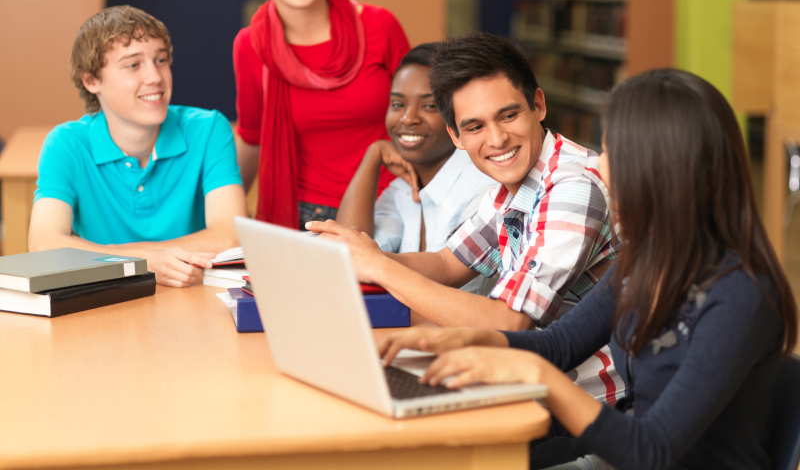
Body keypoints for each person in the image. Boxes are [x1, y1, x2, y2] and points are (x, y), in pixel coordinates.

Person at [377, 68, 798, 470]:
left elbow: (650, 451)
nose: (598, 164)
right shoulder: (647, 259)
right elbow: (560, 345)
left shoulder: (741, 296)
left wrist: (535, 373)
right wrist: (454, 341)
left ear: (661, 167)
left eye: (612, 150)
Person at [309, 32, 624, 407]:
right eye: (475, 127)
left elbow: (508, 322)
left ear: (538, 104)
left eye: (508, 115)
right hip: (525, 384)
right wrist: (358, 255)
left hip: (581, 408)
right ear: (456, 135)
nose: (497, 139)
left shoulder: (571, 187)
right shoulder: (511, 187)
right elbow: (445, 263)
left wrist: (379, 267)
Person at [28, 6, 248, 288]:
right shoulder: (66, 144)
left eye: (161, 60)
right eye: (133, 65)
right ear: (91, 80)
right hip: (105, 300)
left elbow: (230, 236)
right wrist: (145, 262)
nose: (155, 77)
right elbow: (44, 246)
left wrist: (125, 260)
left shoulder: (209, 129)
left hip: (191, 296)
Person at [234, 0, 410, 229]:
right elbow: (252, 138)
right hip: (309, 218)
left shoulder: (379, 26)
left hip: (393, 206)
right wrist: (220, 216)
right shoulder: (250, 46)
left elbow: (428, 113)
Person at [335, 42, 496, 295]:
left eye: (429, 106)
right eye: (398, 105)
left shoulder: (484, 191)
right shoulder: (402, 189)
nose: (408, 118)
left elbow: (455, 300)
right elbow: (347, 254)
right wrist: (372, 157)